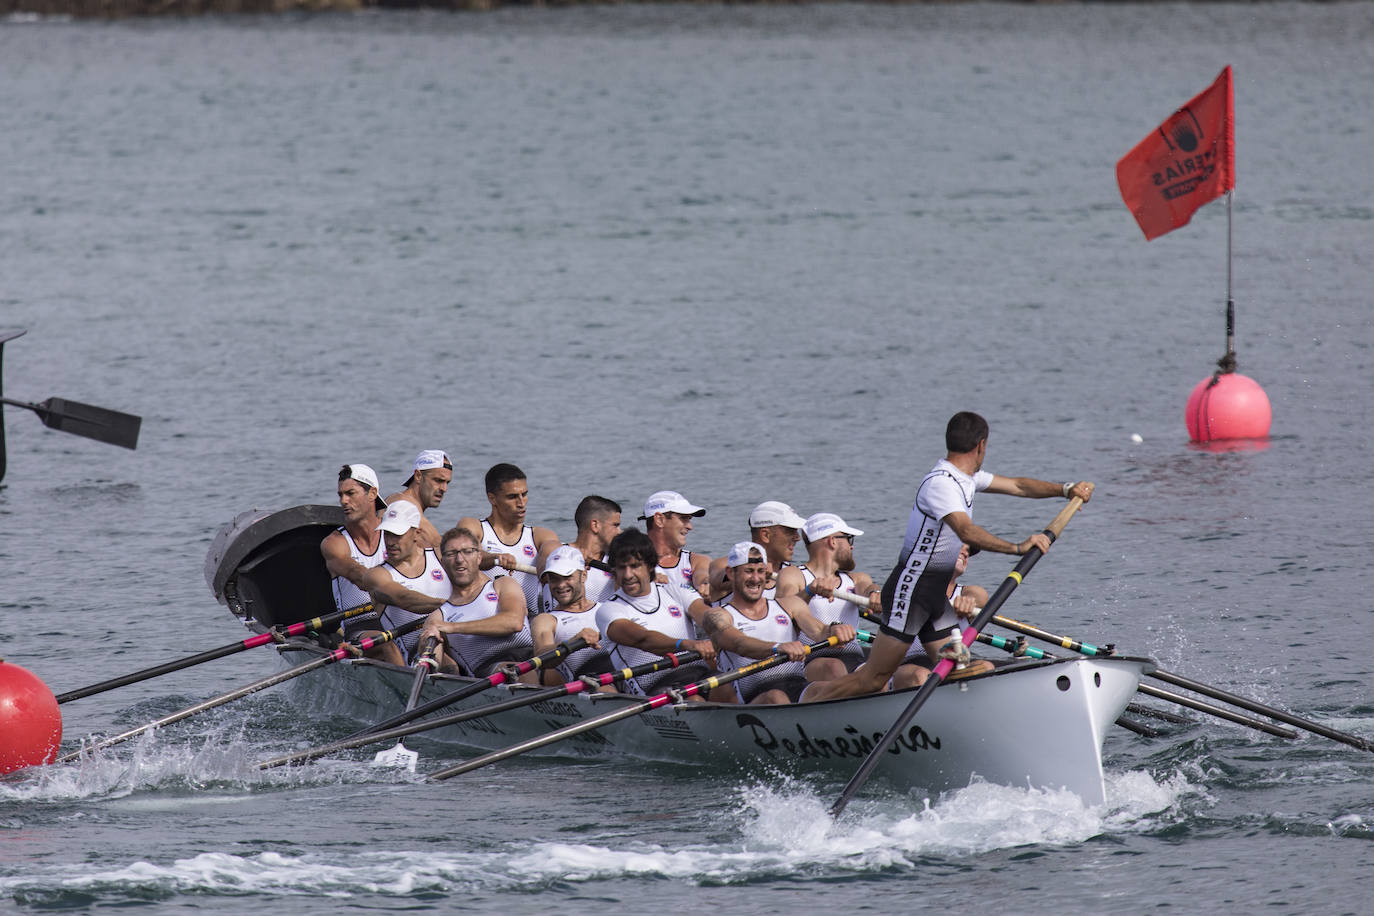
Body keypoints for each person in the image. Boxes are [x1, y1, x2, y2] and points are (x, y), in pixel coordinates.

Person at [802, 411, 1094, 702]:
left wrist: (1065, 489)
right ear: (981, 445)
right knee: (873, 678)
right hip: (911, 591)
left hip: (933, 596)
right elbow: (966, 532)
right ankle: (811, 703)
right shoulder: (941, 484)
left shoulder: (967, 478)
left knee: (960, 668)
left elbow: (1017, 485)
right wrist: (1017, 547)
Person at [699, 542, 856, 705]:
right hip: (752, 698)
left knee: (833, 689)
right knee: (776, 697)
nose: (755, 578)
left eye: (761, 571)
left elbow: (819, 631)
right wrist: (776, 647)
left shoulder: (790, 605)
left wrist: (835, 629)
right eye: (748, 571)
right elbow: (740, 644)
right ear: (731, 573)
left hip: (797, 686)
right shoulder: (717, 615)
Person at [596, 529, 717, 699]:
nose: (628, 575)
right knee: (694, 699)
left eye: (635, 566)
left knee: (732, 688)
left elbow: (708, 617)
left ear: (651, 565)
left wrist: (724, 629)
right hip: (656, 687)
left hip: (700, 675)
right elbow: (643, 639)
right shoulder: (609, 610)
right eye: (622, 568)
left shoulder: (676, 591)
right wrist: (686, 644)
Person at [774, 512, 881, 685]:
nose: (852, 547)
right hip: (813, 658)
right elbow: (783, 611)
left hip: (854, 658)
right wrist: (809, 591)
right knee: (834, 667)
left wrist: (874, 594)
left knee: (880, 674)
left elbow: (868, 587)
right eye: (849, 539)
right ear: (832, 541)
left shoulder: (856, 578)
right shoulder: (793, 575)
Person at [418, 527, 536, 680]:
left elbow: (514, 623)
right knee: (521, 672)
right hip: (487, 671)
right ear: (443, 563)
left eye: (467, 551)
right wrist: (425, 649)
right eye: (451, 554)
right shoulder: (438, 617)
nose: (460, 559)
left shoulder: (503, 584)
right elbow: (438, 664)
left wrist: (452, 627)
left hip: (531, 655)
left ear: (479, 557)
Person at [459, 463, 558, 615]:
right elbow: (468, 555)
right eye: (512, 497)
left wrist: (549, 568)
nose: (521, 503)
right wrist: (495, 558)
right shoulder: (474, 526)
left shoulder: (540, 535)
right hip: (483, 620)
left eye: (524, 494)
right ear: (492, 498)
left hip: (528, 623)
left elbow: (552, 551)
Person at [360, 501, 451, 666]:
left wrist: (498, 559)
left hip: (455, 637)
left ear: (417, 533)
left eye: (397, 534)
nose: (390, 541)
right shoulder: (376, 575)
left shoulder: (440, 556)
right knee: (447, 661)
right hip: (416, 653)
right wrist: (450, 607)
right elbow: (404, 597)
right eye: (387, 533)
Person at [892, 543, 988, 689]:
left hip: (955, 662)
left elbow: (978, 597)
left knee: (986, 666)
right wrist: (874, 595)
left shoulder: (969, 593)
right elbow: (871, 588)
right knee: (920, 675)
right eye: (960, 546)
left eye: (968, 550)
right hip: (911, 664)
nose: (966, 553)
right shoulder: (907, 591)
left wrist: (968, 601)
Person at [320, 463, 389, 645]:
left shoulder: (395, 534)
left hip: (395, 618)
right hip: (360, 627)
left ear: (372, 494)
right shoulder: (335, 543)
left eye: (350, 493)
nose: (343, 501)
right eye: (341, 495)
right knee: (385, 642)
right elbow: (361, 577)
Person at [529, 545, 614, 690]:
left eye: (567, 577)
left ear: (584, 575)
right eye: (554, 579)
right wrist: (572, 642)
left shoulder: (608, 609)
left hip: (623, 673)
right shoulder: (546, 620)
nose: (561, 585)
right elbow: (542, 657)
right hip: (589, 681)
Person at [534, 495, 621, 615]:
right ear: (595, 525)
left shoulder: (618, 561)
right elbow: (544, 573)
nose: (619, 532)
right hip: (557, 627)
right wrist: (574, 558)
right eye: (615, 525)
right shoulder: (555, 550)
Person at [704, 500, 806, 602]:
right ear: (766, 535)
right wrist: (755, 571)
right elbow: (716, 580)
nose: (797, 538)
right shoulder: (726, 564)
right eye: (790, 531)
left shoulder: (794, 573)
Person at [638, 490, 711, 596]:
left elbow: (703, 574)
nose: (690, 527)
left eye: (689, 519)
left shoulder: (698, 561)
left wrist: (705, 582)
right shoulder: (628, 562)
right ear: (659, 520)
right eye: (683, 518)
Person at [385, 450, 452, 549]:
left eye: (447, 483)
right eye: (438, 480)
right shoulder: (401, 503)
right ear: (418, 476)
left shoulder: (398, 499)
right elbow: (439, 546)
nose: (444, 489)